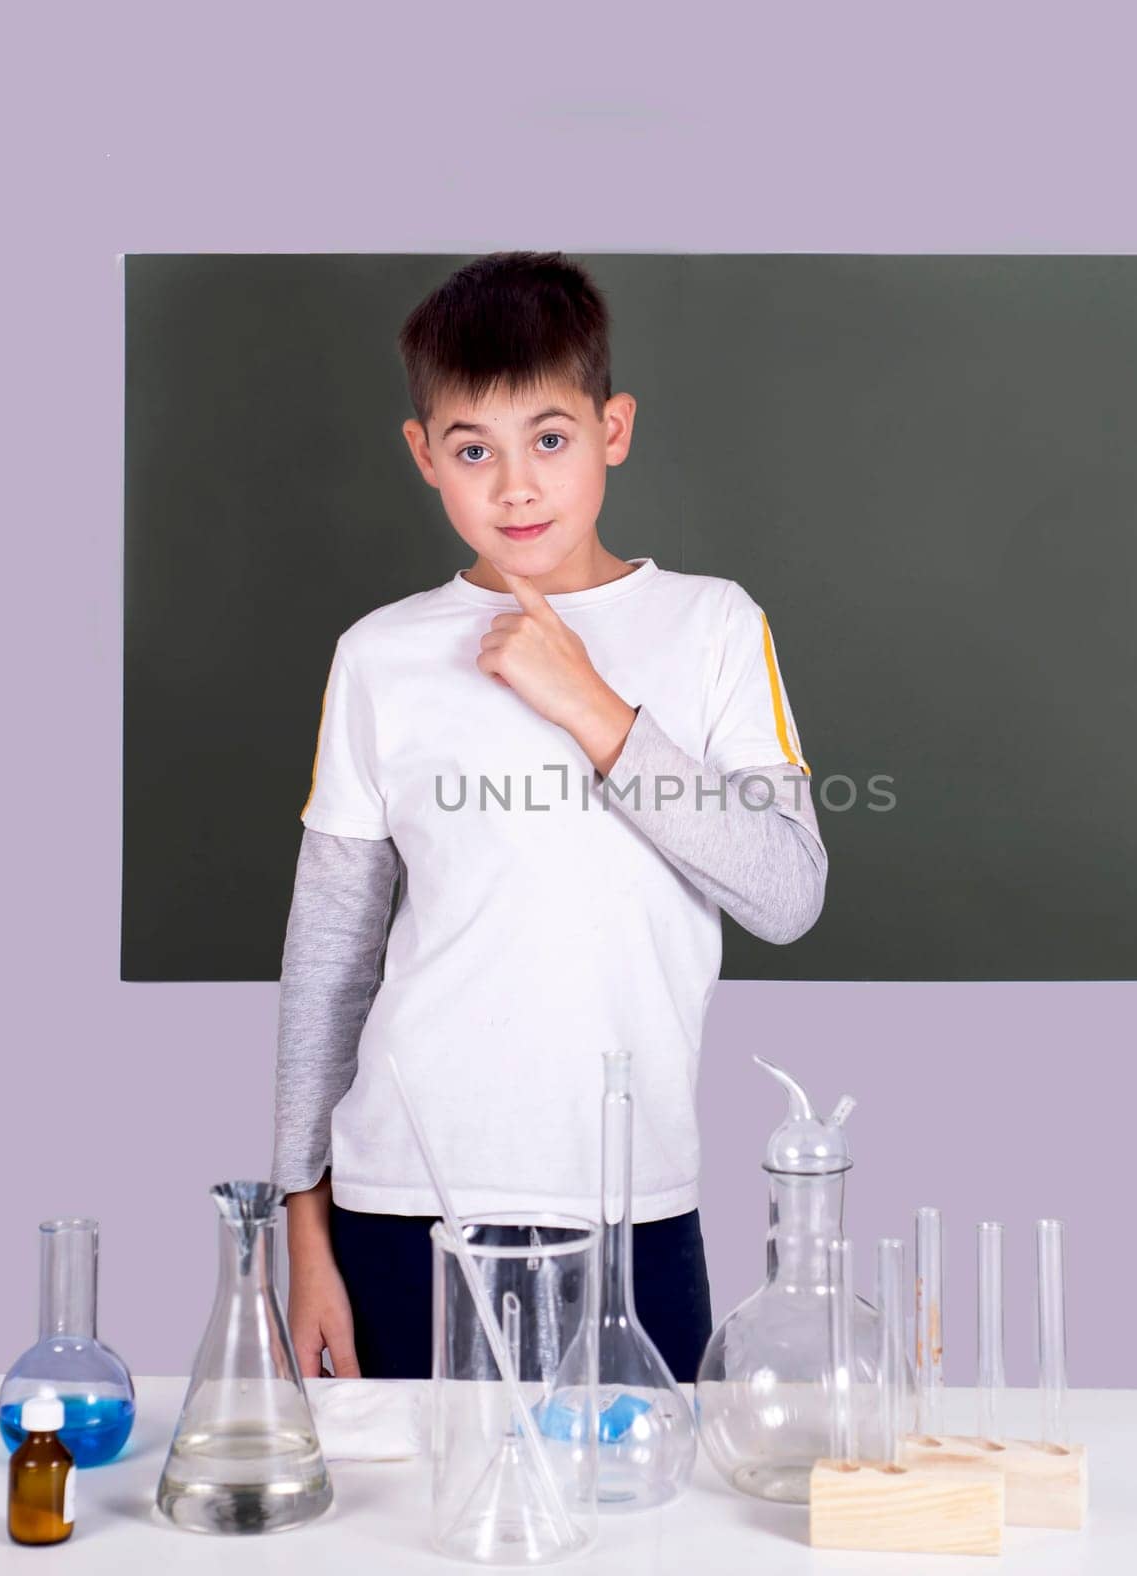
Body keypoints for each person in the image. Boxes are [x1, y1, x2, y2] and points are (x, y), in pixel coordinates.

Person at [273, 250, 828, 1382]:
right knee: (400, 1544)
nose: (515, 487)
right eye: (474, 450)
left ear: (612, 428)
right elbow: (327, 957)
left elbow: (786, 891)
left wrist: (593, 707)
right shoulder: (379, 654)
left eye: (550, 439)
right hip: (399, 1197)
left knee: (652, 1530)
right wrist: (304, 1228)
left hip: (631, 1195)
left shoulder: (712, 627)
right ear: (425, 456)